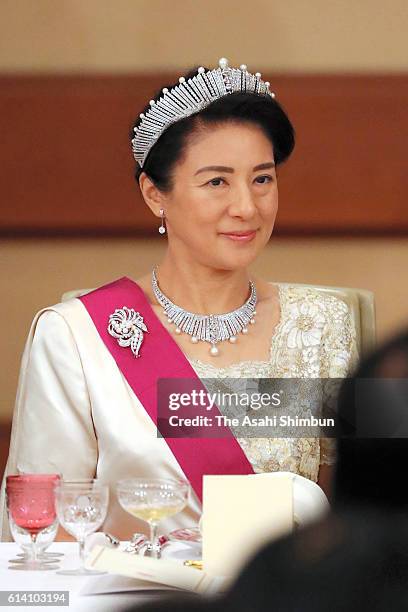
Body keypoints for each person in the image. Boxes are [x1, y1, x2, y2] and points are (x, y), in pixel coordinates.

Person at [0, 58, 358, 541]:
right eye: (216, 182)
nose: (247, 207)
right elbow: (42, 529)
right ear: (155, 195)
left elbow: (370, 504)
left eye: (262, 178)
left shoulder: (325, 325)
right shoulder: (76, 335)